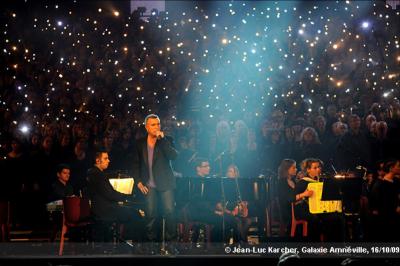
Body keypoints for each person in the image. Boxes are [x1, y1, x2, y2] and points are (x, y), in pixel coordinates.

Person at [132, 114, 178, 243]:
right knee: (151, 214)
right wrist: (138, 182)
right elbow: (135, 164)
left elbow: (173, 156)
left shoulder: (167, 140)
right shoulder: (139, 143)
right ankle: (152, 244)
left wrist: (162, 140)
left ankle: (171, 244)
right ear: (146, 127)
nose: (156, 127)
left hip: (165, 183)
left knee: (169, 213)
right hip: (148, 184)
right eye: (153, 124)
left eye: (158, 124)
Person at [86, 150, 139, 242]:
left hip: (104, 208)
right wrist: (127, 197)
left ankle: (121, 240)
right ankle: (137, 245)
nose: (109, 160)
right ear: (98, 161)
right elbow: (110, 194)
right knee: (136, 214)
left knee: (131, 212)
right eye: (105, 158)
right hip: (105, 210)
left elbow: (110, 193)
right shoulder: (96, 174)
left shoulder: (97, 173)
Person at [294, 158, 345, 242]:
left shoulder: (322, 180)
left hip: (321, 209)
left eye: (319, 167)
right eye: (315, 168)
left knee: (338, 217)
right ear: (308, 170)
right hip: (307, 209)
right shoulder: (303, 182)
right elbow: (293, 197)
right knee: (324, 219)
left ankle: (337, 246)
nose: (318, 169)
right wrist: (304, 194)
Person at [276, 159, 313, 237]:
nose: (296, 169)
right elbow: (289, 199)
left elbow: (298, 194)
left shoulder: (293, 181)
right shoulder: (282, 183)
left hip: (297, 208)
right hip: (289, 211)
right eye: (293, 167)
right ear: (287, 169)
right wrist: (303, 194)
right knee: (313, 217)